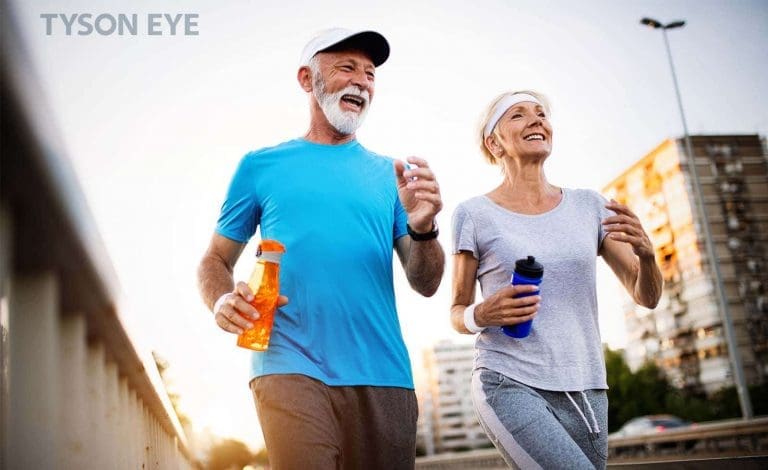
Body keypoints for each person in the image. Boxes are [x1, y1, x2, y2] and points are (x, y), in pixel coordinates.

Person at [197, 28, 445, 469]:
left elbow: (425, 283)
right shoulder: (260, 166)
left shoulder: (393, 176)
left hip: (384, 373)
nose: (361, 81)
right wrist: (221, 300)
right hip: (286, 363)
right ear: (306, 79)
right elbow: (215, 259)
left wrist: (424, 228)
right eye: (347, 68)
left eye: (370, 74)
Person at [450, 90, 662, 469]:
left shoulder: (591, 206)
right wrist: (482, 313)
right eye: (518, 115)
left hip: (587, 385)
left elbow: (646, 296)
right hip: (507, 379)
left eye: (541, 114)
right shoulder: (474, 214)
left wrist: (647, 255)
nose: (537, 120)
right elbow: (457, 312)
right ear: (494, 143)